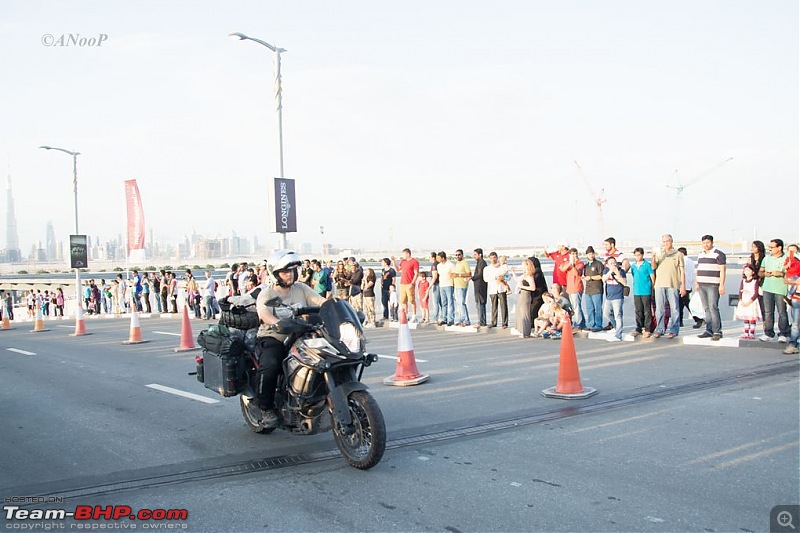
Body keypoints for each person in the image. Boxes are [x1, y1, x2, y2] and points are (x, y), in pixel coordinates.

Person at [254, 250, 326, 429]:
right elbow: (264, 314)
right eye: (286, 272)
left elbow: (321, 302)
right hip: (274, 337)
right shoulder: (267, 294)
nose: (290, 275)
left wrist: (340, 307)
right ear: (275, 273)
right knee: (271, 363)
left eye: (292, 271)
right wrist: (277, 323)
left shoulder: (301, 288)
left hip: (301, 335)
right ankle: (265, 408)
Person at [651, 234, 685, 339]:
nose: (666, 244)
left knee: (674, 308)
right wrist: (653, 256)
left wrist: (683, 285)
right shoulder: (659, 254)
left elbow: (682, 271)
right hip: (659, 284)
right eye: (664, 242)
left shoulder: (678, 254)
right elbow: (653, 267)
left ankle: (674, 330)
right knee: (659, 309)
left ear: (672, 241)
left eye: (668, 241)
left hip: (673, 284)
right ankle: (660, 329)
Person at [695, 235, 726, 341]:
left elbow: (722, 270)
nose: (705, 245)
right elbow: (698, 269)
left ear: (712, 242)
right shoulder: (700, 255)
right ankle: (709, 330)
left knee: (713, 307)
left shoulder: (718, 254)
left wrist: (721, 285)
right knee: (706, 308)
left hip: (713, 284)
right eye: (704, 243)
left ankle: (717, 331)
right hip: (702, 284)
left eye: (707, 242)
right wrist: (697, 283)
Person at [759, 238, 789, 343]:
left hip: (781, 289)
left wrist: (780, 273)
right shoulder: (766, 258)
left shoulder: (787, 258)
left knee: (782, 312)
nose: (770, 249)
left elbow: (791, 274)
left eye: (772, 247)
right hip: (767, 288)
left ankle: (783, 333)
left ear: (779, 247)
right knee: (768, 312)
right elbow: (760, 272)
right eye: (769, 247)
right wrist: (764, 274)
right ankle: (768, 333)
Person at [630, 247, 655, 338]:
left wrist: (653, 288)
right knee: (638, 310)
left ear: (642, 255)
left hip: (646, 290)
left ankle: (648, 329)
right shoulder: (633, 266)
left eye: (639, 255)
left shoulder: (647, 265)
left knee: (647, 310)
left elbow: (652, 276)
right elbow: (633, 275)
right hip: (637, 291)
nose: (637, 257)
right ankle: (639, 328)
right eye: (636, 255)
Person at [602, 256, 627, 342]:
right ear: (607, 265)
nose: (613, 265)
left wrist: (617, 274)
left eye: (614, 263)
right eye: (611, 263)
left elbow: (624, 282)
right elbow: (603, 279)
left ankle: (618, 335)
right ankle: (617, 327)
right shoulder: (606, 271)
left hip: (618, 297)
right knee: (606, 313)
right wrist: (610, 271)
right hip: (609, 297)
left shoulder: (621, 271)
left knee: (618, 315)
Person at [677, 247, 703, 328]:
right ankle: (680, 321)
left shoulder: (683, 261)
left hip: (682, 285)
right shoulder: (691, 261)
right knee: (681, 304)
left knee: (685, 304)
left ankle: (698, 319)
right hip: (688, 285)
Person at [392, 248, 420, 322]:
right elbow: (397, 269)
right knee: (403, 300)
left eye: (404, 254)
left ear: (408, 254)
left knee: (411, 300)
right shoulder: (403, 261)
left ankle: (414, 316)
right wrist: (394, 262)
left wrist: (412, 283)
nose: (403, 256)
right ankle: (406, 315)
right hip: (402, 283)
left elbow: (416, 273)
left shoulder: (414, 262)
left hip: (410, 283)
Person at [734, 264, 761, 339]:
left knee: (752, 317)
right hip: (744, 300)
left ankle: (751, 332)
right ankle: (746, 332)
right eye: (745, 270)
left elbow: (756, 293)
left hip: (751, 301)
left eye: (748, 270)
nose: (746, 272)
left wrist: (750, 301)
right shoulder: (743, 281)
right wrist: (741, 300)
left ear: (753, 272)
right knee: (746, 317)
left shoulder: (755, 281)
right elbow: (740, 291)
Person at [561, 248, 585, 330]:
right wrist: (570, 263)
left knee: (576, 307)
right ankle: (582, 323)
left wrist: (573, 265)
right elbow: (562, 269)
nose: (574, 255)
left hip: (577, 287)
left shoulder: (580, 263)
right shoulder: (568, 263)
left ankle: (578, 324)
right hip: (570, 288)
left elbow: (577, 273)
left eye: (575, 253)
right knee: (574, 307)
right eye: (572, 254)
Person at [484, 251, 509, 329]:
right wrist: (495, 278)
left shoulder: (502, 267)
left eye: (494, 257)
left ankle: (504, 323)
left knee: (503, 306)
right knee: (494, 306)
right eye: (491, 258)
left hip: (501, 289)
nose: (493, 259)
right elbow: (485, 279)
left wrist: (503, 278)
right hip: (493, 289)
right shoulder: (487, 268)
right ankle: (494, 322)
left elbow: (508, 276)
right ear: (489, 259)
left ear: (497, 258)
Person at [582, 247, 604, 332]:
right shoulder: (586, 266)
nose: (591, 255)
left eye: (592, 254)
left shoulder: (598, 264)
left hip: (597, 289)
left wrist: (590, 278)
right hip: (588, 290)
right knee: (589, 309)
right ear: (586, 255)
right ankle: (591, 324)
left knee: (597, 308)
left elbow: (601, 276)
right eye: (589, 254)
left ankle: (598, 325)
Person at [513, 258, 536, 337]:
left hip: (526, 294)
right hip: (522, 294)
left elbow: (533, 288)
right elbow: (517, 279)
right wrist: (513, 272)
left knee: (525, 313)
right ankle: (521, 330)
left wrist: (522, 286)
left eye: (523, 265)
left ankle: (525, 332)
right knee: (520, 312)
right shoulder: (525, 274)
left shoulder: (530, 276)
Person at [783, 259, 800, 355]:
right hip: (797, 298)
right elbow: (786, 280)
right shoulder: (796, 270)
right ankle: (793, 344)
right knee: (796, 323)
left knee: (796, 323)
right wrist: (786, 268)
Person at [452, 249, 471, 326]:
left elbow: (469, 274)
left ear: (462, 255)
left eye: (459, 255)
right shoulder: (457, 264)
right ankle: (461, 319)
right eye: (456, 255)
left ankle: (466, 320)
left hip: (462, 285)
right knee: (459, 304)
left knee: (462, 303)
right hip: (456, 285)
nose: (457, 256)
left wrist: (458, 275)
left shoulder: (464, 263)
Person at [748, 240, 767, 320]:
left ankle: (766, 324)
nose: (752, 248)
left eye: (754, 246)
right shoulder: (750, 258)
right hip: (752, 283)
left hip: (761, 283)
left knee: (763, 305)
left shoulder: (764, 259)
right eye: (752, 246)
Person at [436, 251, 455, 326]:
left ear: (443, 258)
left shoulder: (450, 265)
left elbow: (453, 275)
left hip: (449, 284)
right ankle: (444, 318)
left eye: (439, 257)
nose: (437, 259)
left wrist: (453, 285)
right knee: (443, 303)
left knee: (450, 302)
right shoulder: (439, 266)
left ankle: (451, 319)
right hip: (442, 285)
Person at [471, 248, 488, 327]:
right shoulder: (479, 263)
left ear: (480, 254)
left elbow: (480, 274)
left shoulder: (482, 263)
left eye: (475, 254)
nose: (474, 256)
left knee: (480, 304)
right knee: (480, 304)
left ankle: (481, 322)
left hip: (480, 286)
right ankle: (482, 321)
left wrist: (472, 277)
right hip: (479, 286)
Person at [428, 252, 441, 325]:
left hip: (436, 285)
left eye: (429, 257)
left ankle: (435, 318)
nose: (429, 259)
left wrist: (429, 286)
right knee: (441, 302)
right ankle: (442, 317)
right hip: (440, 284)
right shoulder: (438, 264)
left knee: (436, 302)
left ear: (433, 257)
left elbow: (434, 277)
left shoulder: (434, 265)